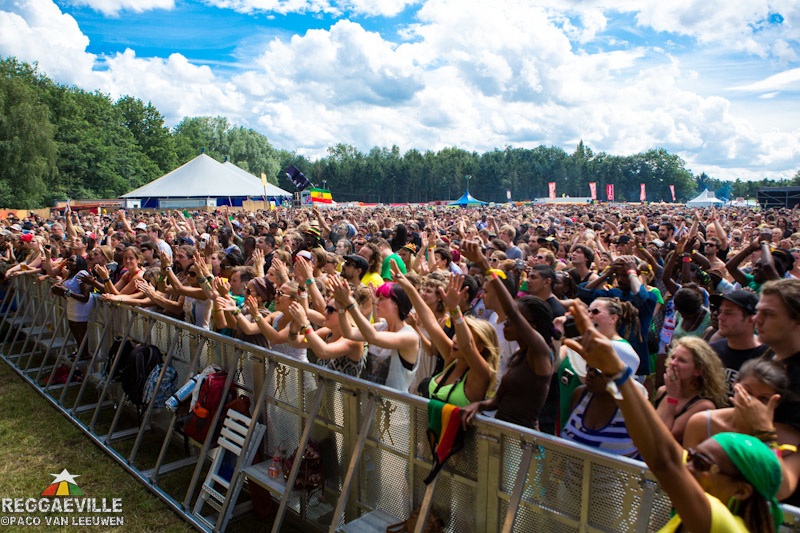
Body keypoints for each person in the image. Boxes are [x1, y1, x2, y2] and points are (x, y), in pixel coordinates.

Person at [564, 302, 784, 533]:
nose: (687, 467)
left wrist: (619, 375)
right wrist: (615, 374)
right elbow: (661, 452)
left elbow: (665, 459)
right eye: (692, 456)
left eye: (701, 463)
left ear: (741, 491)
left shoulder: (726, 526)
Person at [460, 241, 554, 431]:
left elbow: (511, 310)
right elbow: (499, 400)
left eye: (513, 322)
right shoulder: (519, 356)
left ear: (531, 327)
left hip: (522, 441)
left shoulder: (540, 352)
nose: (507, 325)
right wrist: (479, 405)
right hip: (500, 430)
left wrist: (485, 265)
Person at [393, 268, 497, 406]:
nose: (454, 340)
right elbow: (430, 321)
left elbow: (467, 346)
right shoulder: (451, 359)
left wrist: (454, 309)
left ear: (480, 347)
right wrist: (408, 286)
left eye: (462, 337)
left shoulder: (480, 375)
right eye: (455, 335)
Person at [332, 274, 421, 392]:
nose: (376, 302)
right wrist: (342, 308)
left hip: (394, 407)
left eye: (382, 299)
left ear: (396, 303)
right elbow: (349, 333)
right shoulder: (381, 327)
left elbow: (373, 338)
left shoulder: (410, 336)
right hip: (370, 403)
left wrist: (350, 304)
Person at [654, 337, 728, 443]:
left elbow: (665, 439)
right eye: (673, 357)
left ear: (698, 370)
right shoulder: (662, 392)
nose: (673, 363)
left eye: (682, 360)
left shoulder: (703, 406)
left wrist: (672, 398)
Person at [708, 290, 768, 392]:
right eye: (721, 311)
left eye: (728, 313)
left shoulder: (766, 357)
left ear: (751, 319)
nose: (720, 317)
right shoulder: (713, 351)